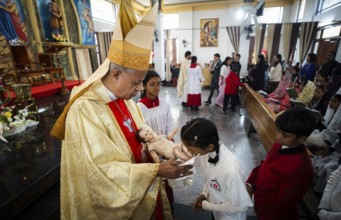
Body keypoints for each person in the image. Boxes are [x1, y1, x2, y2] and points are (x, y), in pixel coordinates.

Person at [50, 1, 193, 219]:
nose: (139, 90)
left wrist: (171, 149)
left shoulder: (125, 101)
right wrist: (156, 171)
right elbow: (99, 174)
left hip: (140, 190)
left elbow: (147, 135)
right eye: (136, 83)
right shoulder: (84, 110)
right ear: (115, 75)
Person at [246, 108, 317, 220]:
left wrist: (255, 195)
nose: (278, 136)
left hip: (275, 215)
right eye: (277, 130)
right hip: (261, 208)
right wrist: (250, 182)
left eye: (284, 135)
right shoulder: (280, 144)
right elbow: (264, 164)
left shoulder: (301, 169)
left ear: (302, 139)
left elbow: (282, 201)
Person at [181, 118, 254, 220]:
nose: (189, 153)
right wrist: (205, 193)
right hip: (218, 213)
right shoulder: (204, 154)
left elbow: (239, 207)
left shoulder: (231, 169)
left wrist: (206, 205)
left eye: (191, 150)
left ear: (210, 146)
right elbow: (210, 178)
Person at [137, 70, 175, 138]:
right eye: (152, 85)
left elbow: (170, 125)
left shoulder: (165, 104)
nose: (157, 87)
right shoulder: (139, 108)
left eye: (158, 84)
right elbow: (141, 132)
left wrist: (169, 138)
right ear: (144, 86)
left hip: (166, 143)